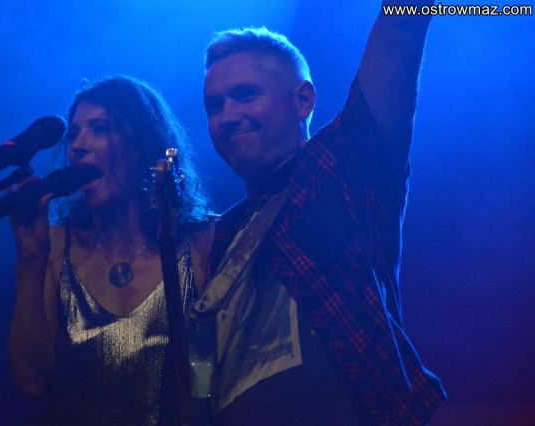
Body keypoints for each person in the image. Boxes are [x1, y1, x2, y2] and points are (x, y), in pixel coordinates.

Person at [192, 1, 447, 425]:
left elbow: (400, 33)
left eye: (245, 95)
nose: (227, 116)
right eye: (214, 105)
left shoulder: (341, 168)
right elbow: (196, 373)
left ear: (303, 100)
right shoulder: (217, 240)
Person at [7, 75, 214, 425]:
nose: (78, 146)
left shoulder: (201, 242)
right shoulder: (55, 247)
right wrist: (29, 264)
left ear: (143, 146)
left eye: (100, 129)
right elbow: (31, 383)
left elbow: (212, 379)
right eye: (74, 134)